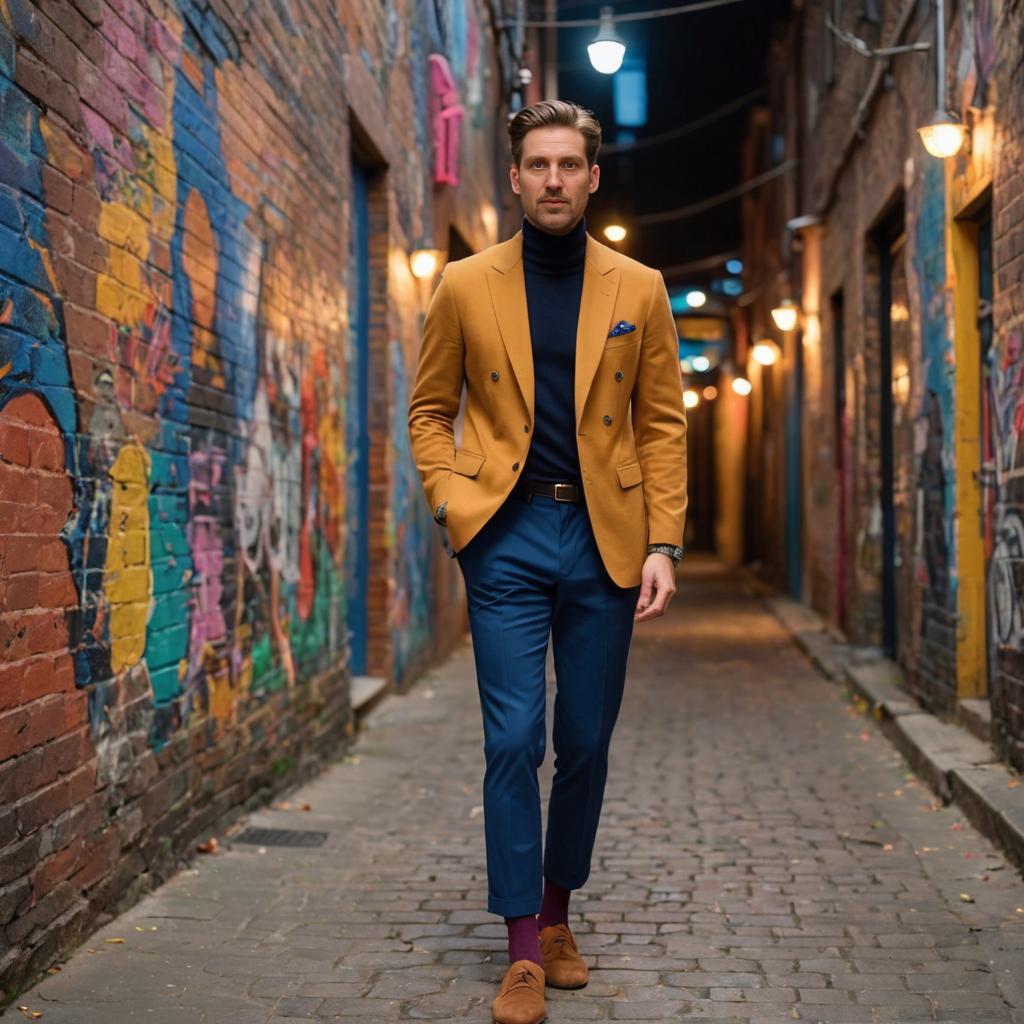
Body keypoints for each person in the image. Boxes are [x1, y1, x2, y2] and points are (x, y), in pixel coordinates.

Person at [407, 99, 687, 1024]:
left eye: (571, 164)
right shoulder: (464, 284)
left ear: (593, 176)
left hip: (604, 536)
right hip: (506, 536)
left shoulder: (638, 287)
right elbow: (428, 410)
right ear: (517, 176)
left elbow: (659, 424)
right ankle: (524, 947)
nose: (555, 180)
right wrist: (455, 505)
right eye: (538, 165)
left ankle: (561, 914)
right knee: (514, 738)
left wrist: (661, 541)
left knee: (587, 743)